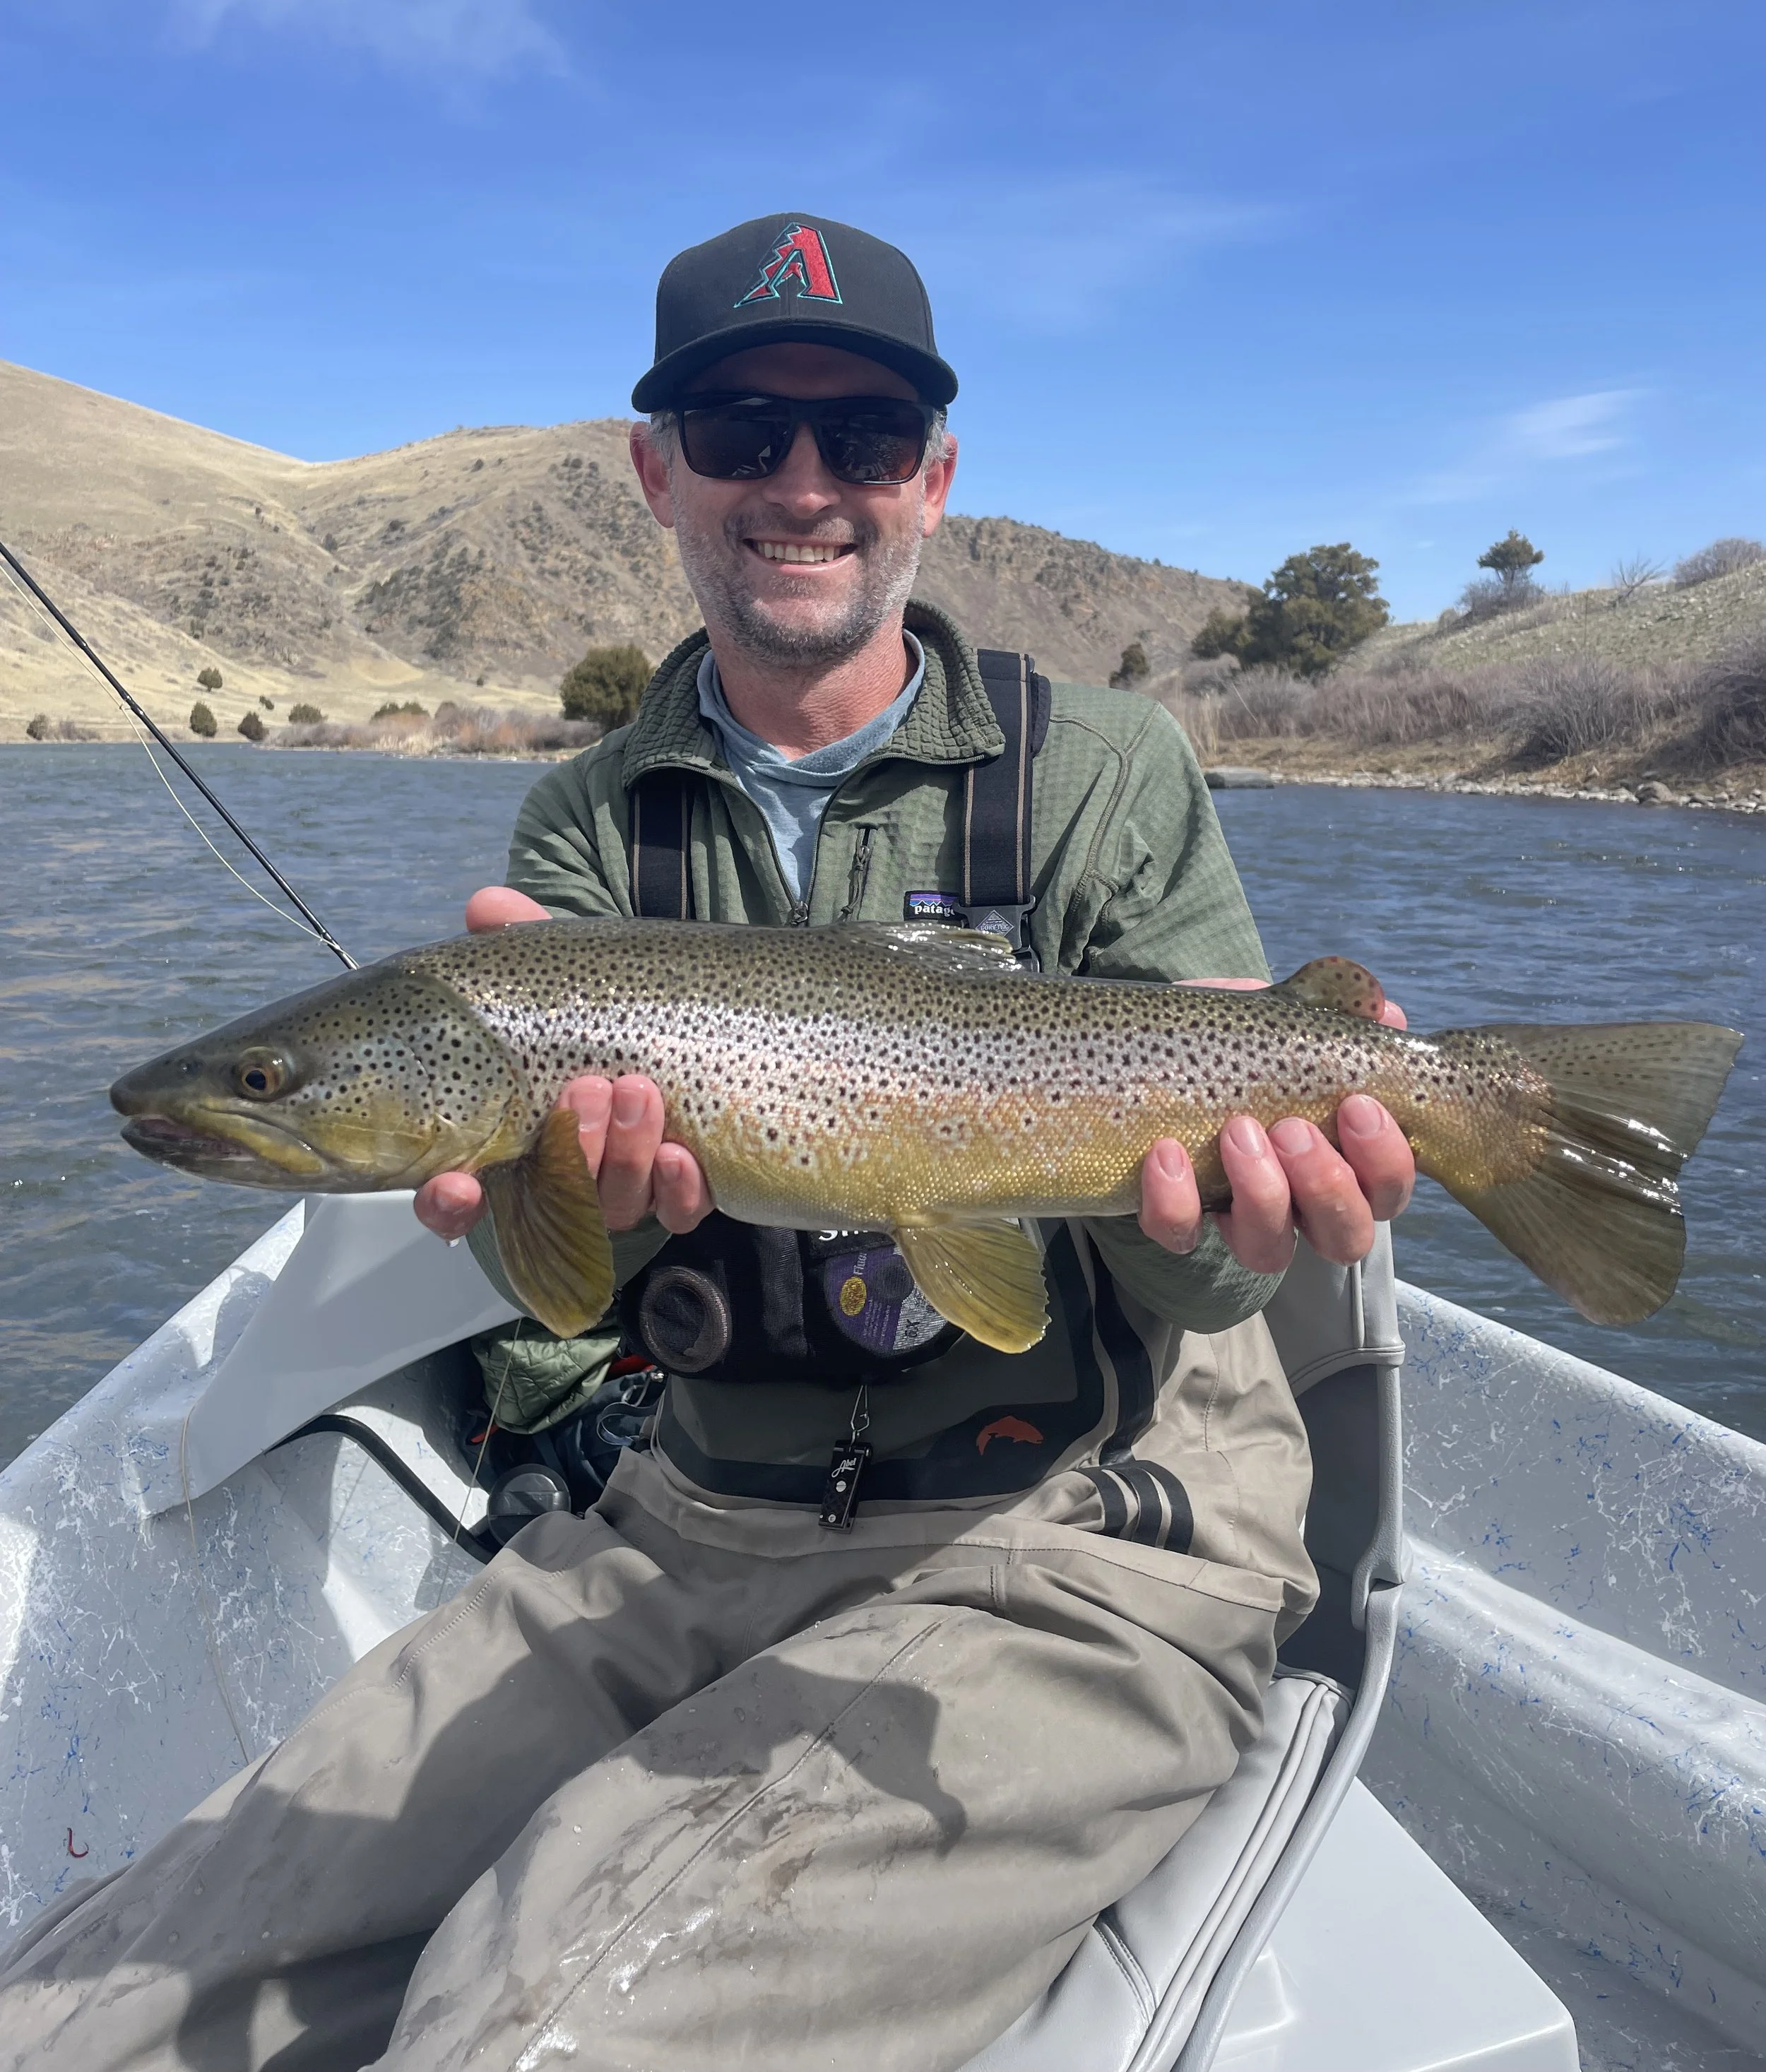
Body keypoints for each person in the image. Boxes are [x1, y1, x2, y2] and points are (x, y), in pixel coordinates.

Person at [1, 215, 1414, 2072]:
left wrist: (1227, 1208)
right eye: (743, 429)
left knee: (523, 2035)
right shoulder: (588, 818)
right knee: (78, 2012)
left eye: (865, 434)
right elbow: (558, 1284)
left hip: (1084, 1518)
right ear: (657, 469)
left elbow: (1218, 1275)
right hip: (694, 1517)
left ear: (937, 474)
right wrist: (550, 1222)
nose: (802, 483)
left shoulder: (1103, 769)